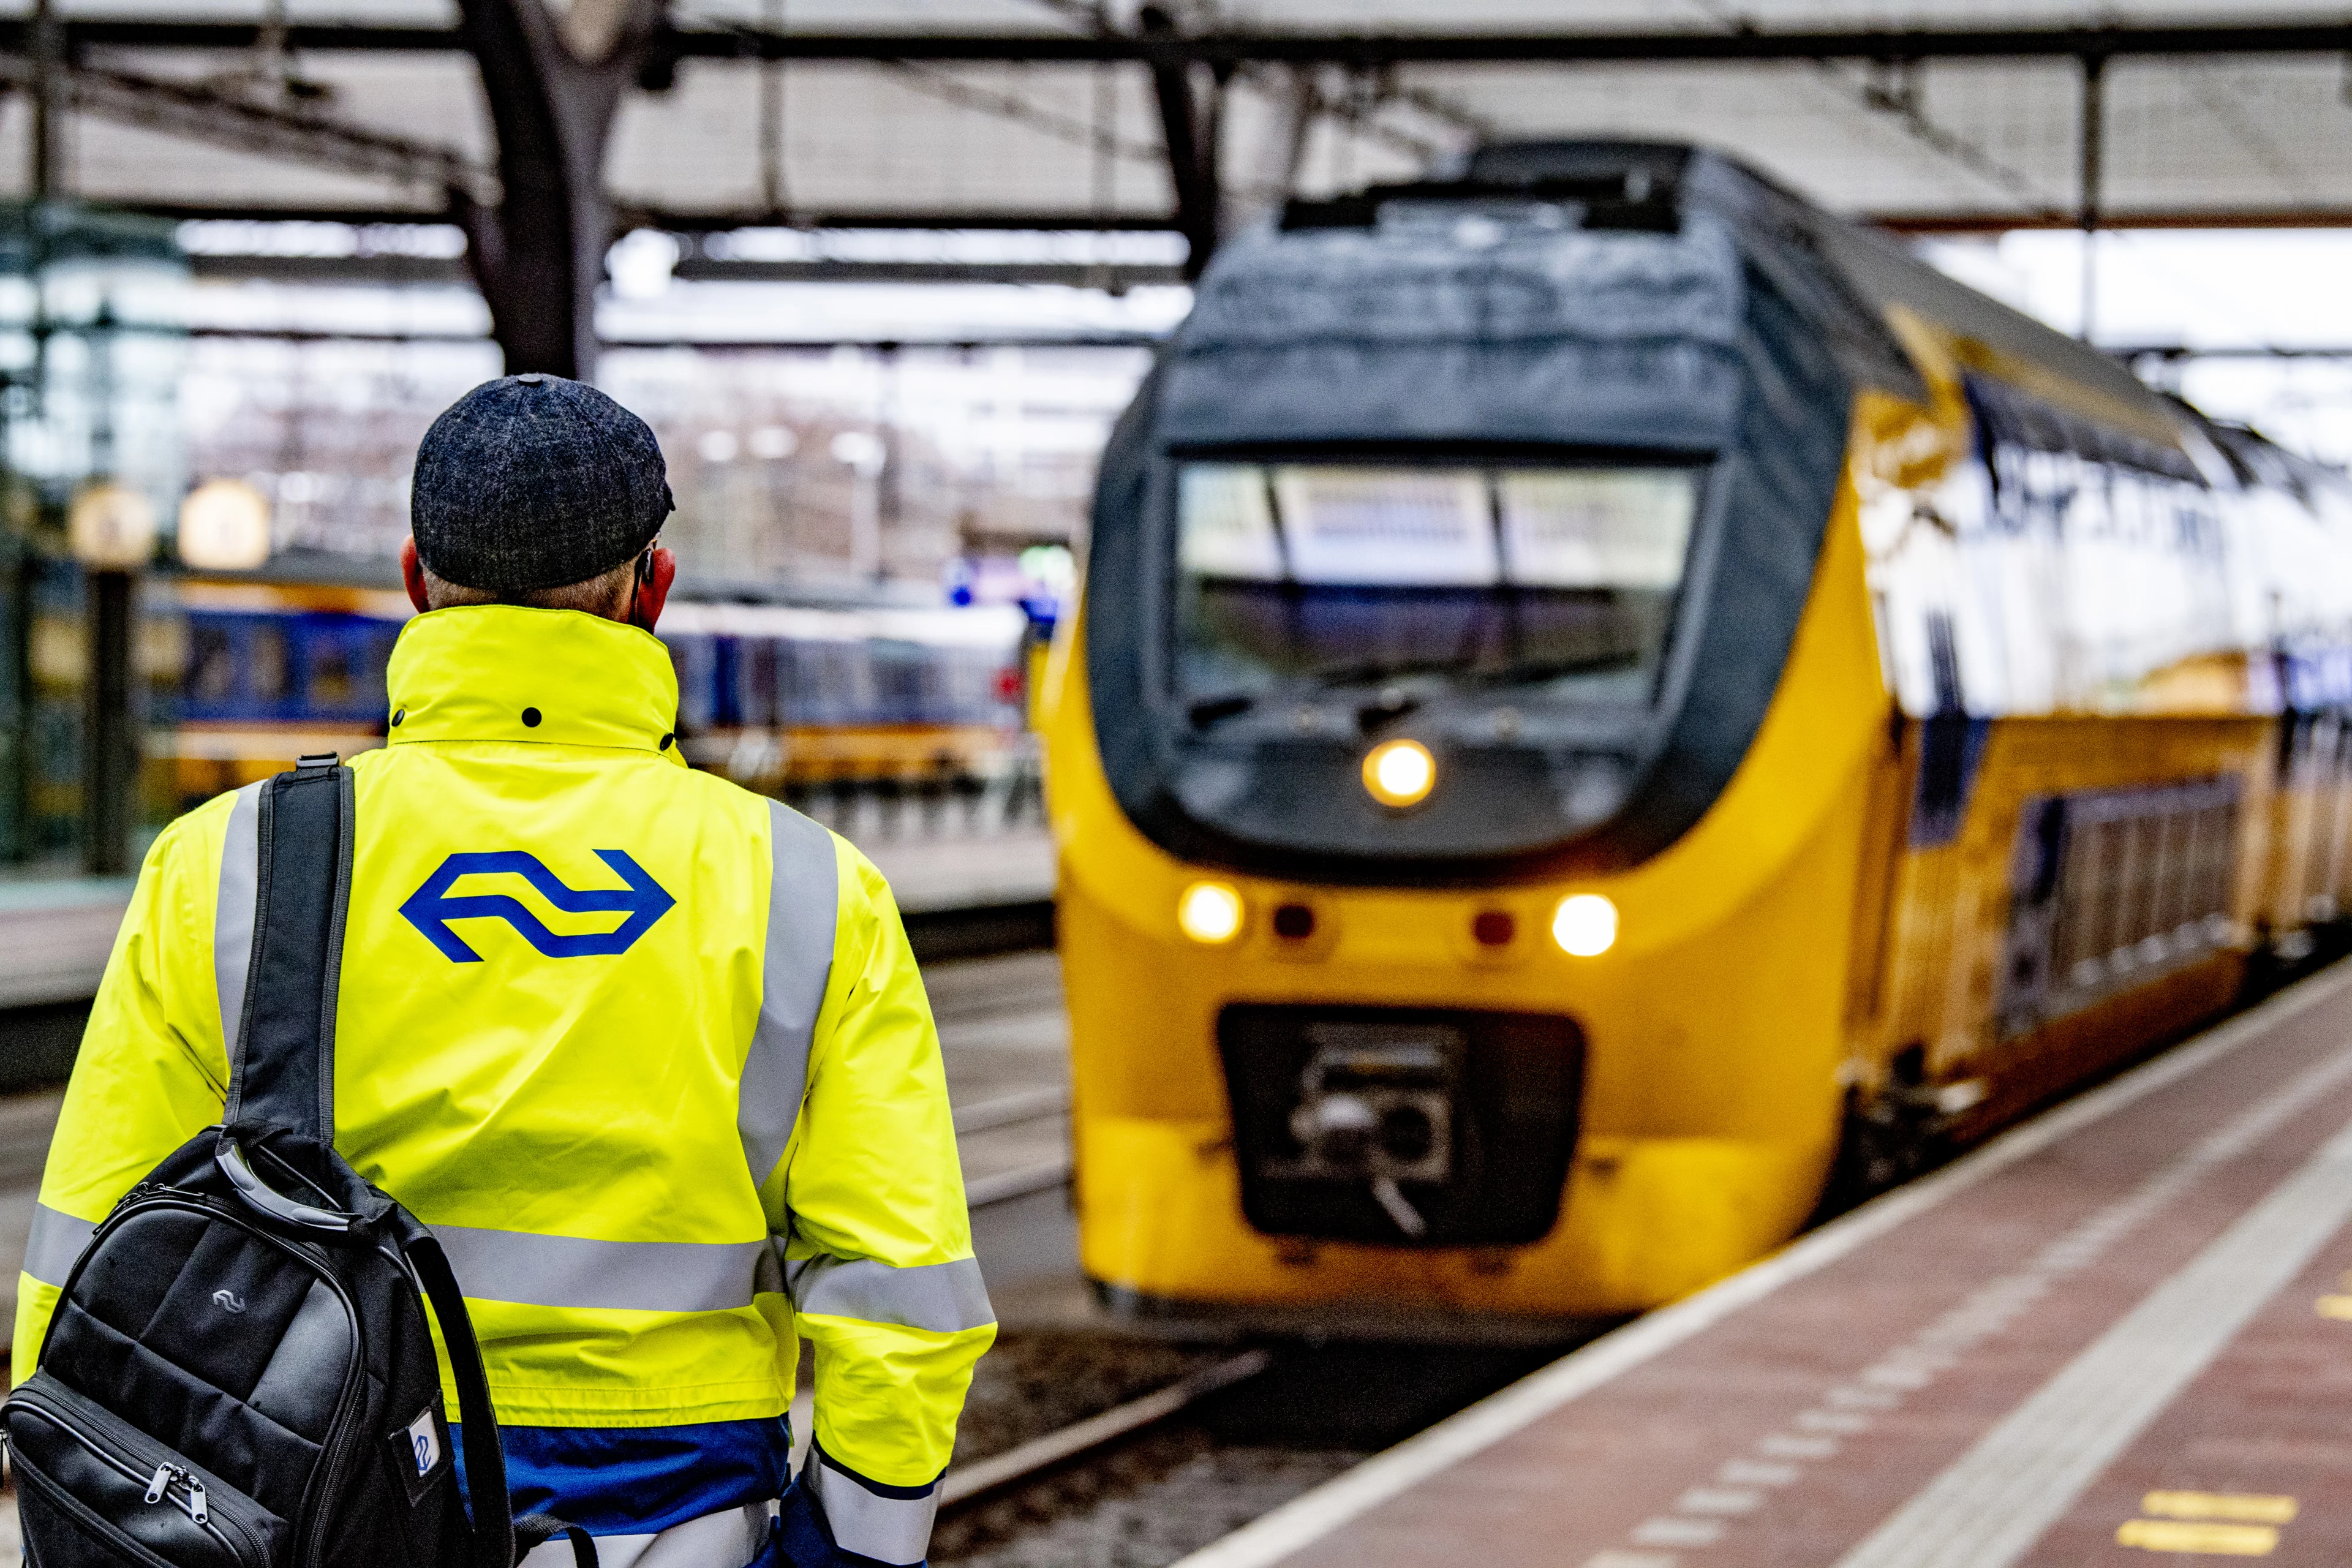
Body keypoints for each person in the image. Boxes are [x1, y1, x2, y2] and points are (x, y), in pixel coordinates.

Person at [12, 374, 993, 1568]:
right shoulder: (806, 886)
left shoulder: (230, 863)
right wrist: (852, 1555)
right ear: (654, 590)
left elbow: (90, 1251)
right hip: (675, 1517)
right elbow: (906, 1304)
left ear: (417, 579)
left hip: (313, 1499)